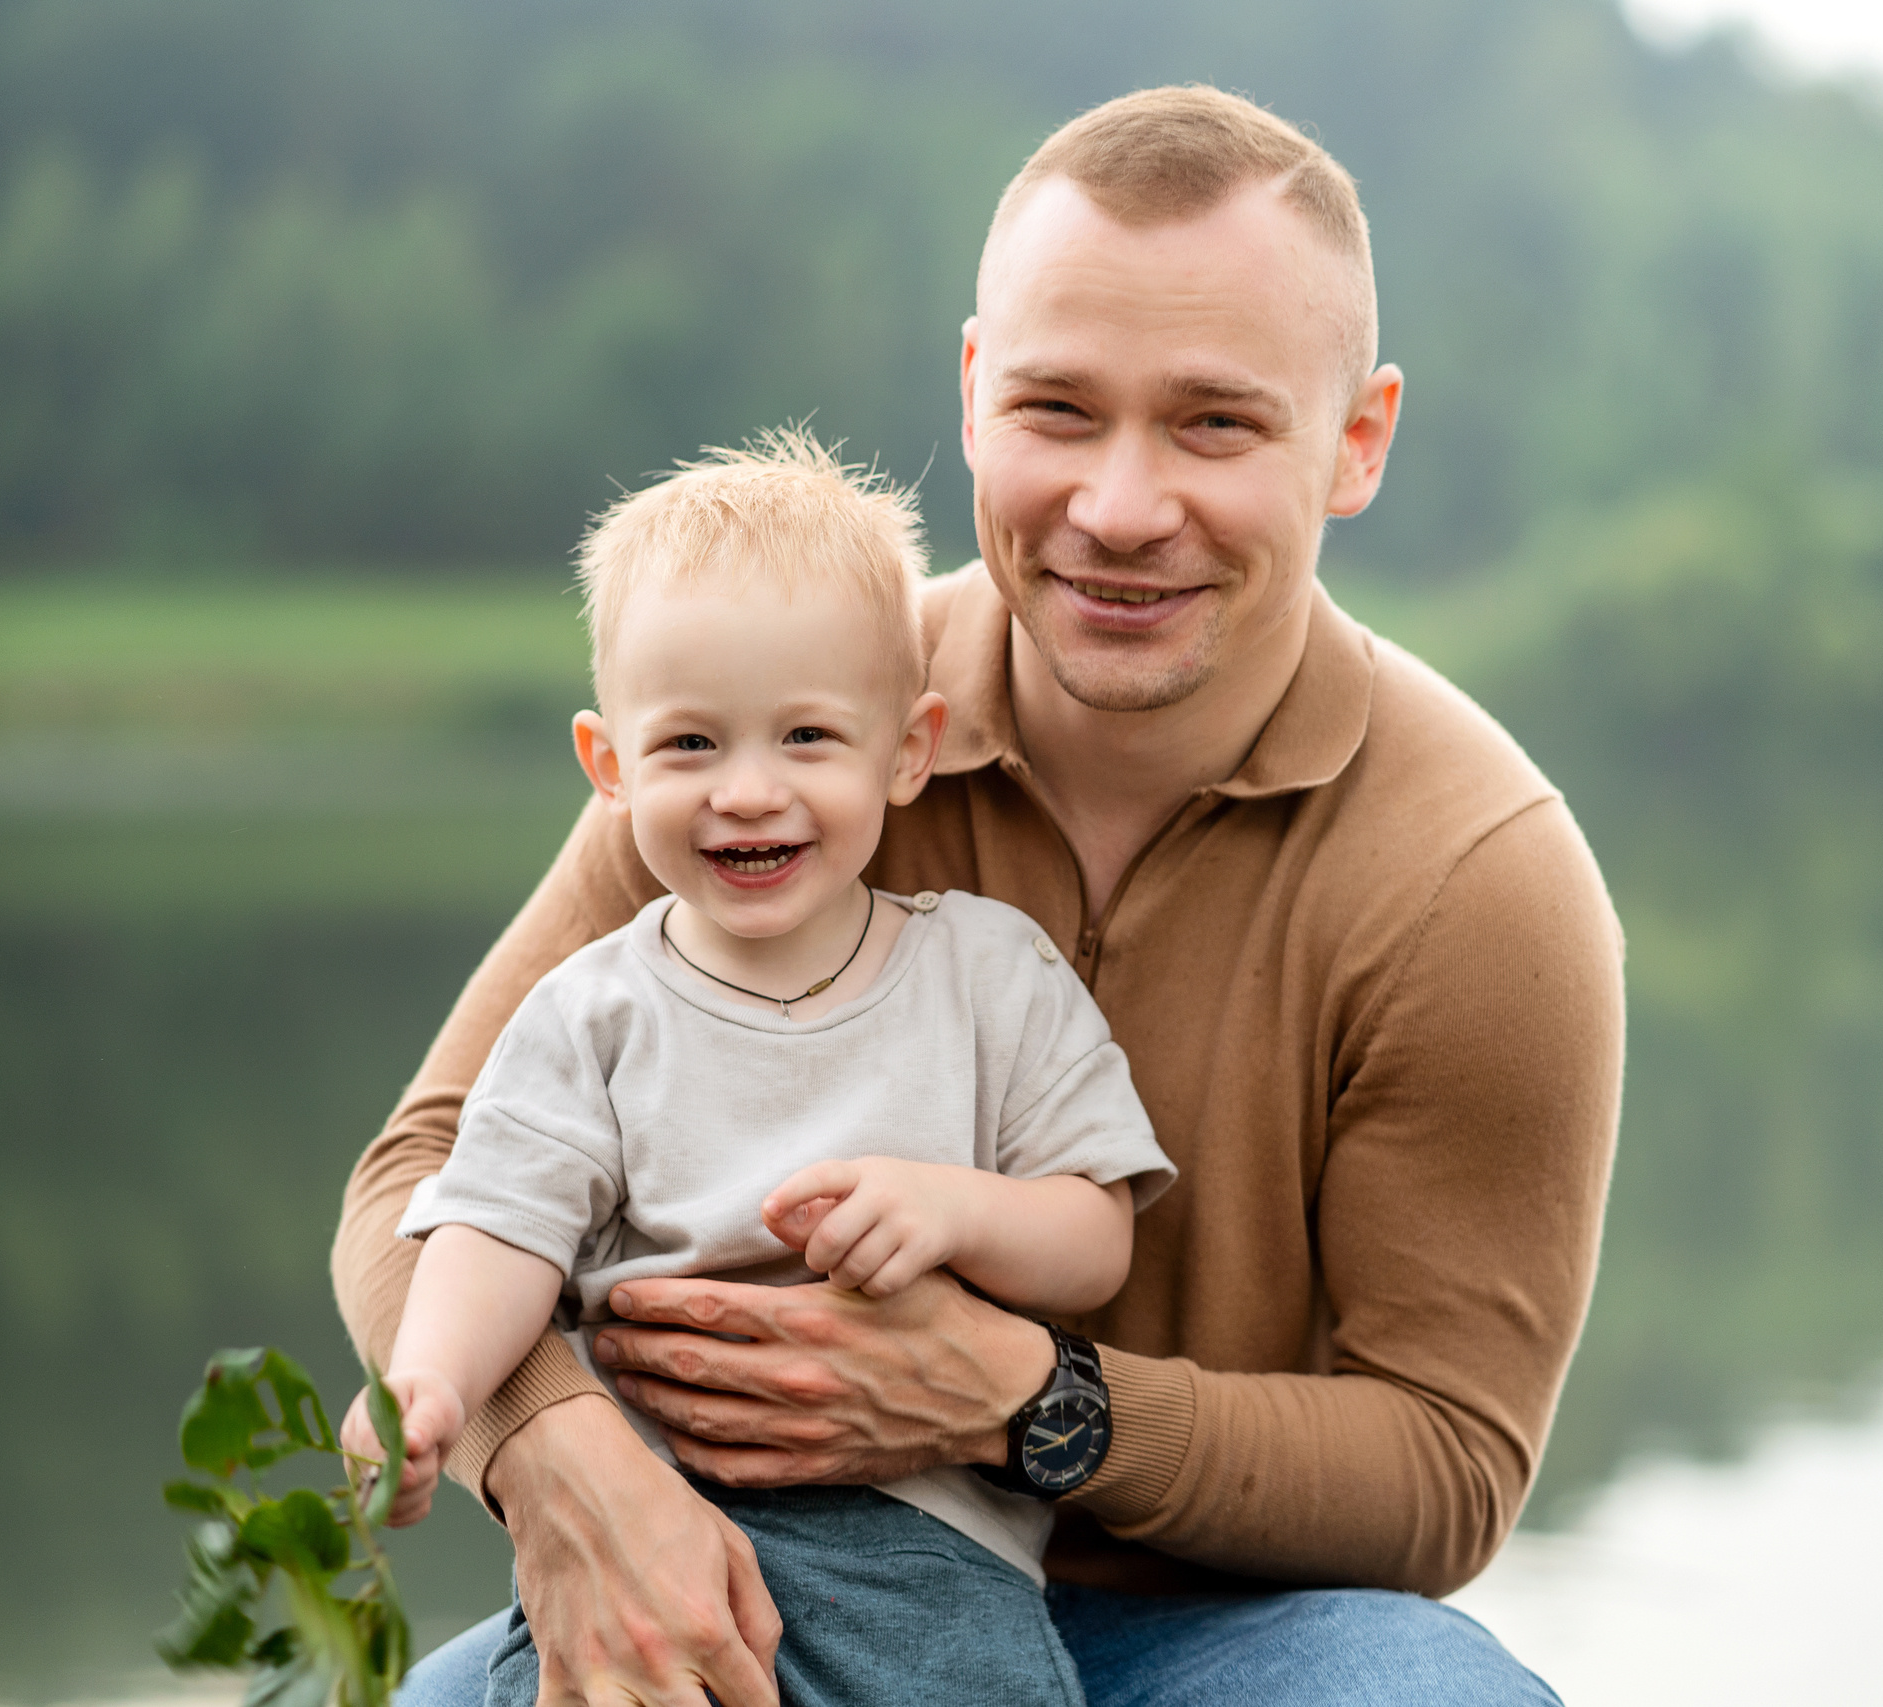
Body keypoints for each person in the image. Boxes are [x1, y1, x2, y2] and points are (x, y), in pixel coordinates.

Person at [335, 85, 1624, 1707]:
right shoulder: (779, 732)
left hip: (1238, 1636)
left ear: (1355, 438)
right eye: (1059, 410)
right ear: (968, 392)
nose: (1120, 506)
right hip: (747, 1577)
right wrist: (561, 1454)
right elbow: (427, 1172)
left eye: (1214, 422)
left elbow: (1443, 1471)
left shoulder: (1477, 874)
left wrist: (1019, 1400)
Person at [340, 431, 1176, 1707]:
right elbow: (497, 1224)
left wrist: (956, 1208)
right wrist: (435, 1384)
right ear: (608, 767)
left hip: (929, 1560)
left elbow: (1094, 1233)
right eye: (689, 746)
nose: (747, 791)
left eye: (804, 737)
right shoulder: (590, 1016)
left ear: (907, 751)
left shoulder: (986, 977)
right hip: (650, 1529)